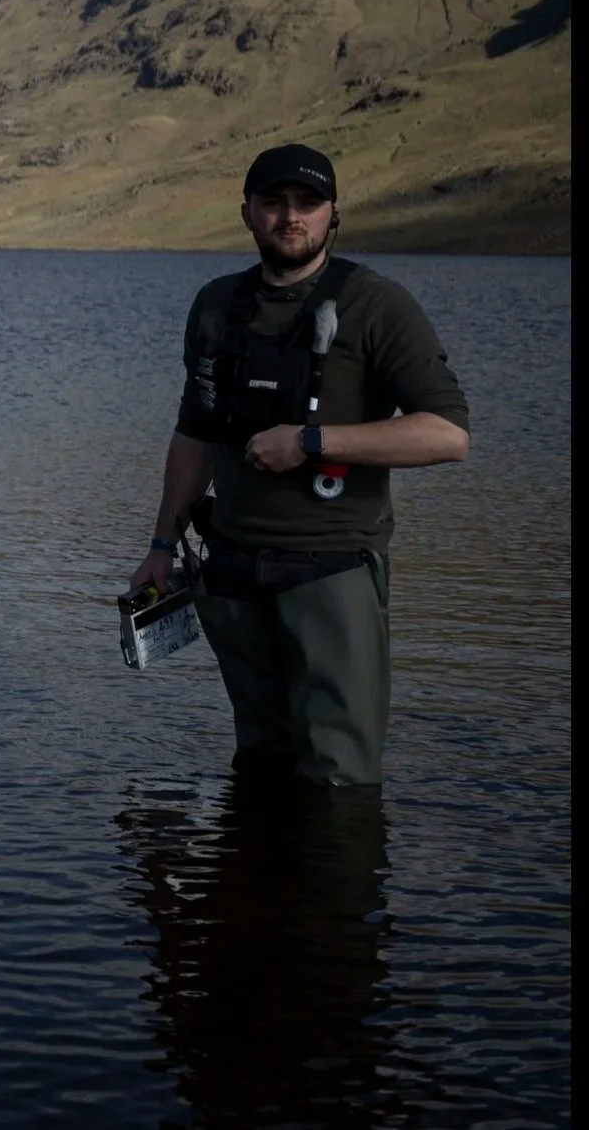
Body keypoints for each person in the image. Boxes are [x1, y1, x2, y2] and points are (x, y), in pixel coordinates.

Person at [129, 143, 470, 786]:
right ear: (247, 213)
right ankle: (253, 883)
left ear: (333, 214)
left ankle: (340, 883)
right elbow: (195, 432)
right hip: (229, 570)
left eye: (308, 204)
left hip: (331, 570)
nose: (292, 217)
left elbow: (447, 434)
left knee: (339, 777)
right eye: (275, 202)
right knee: (260, 762)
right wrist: (161, 544)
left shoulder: (376, 305)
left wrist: (313, 443)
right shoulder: (215, 306)